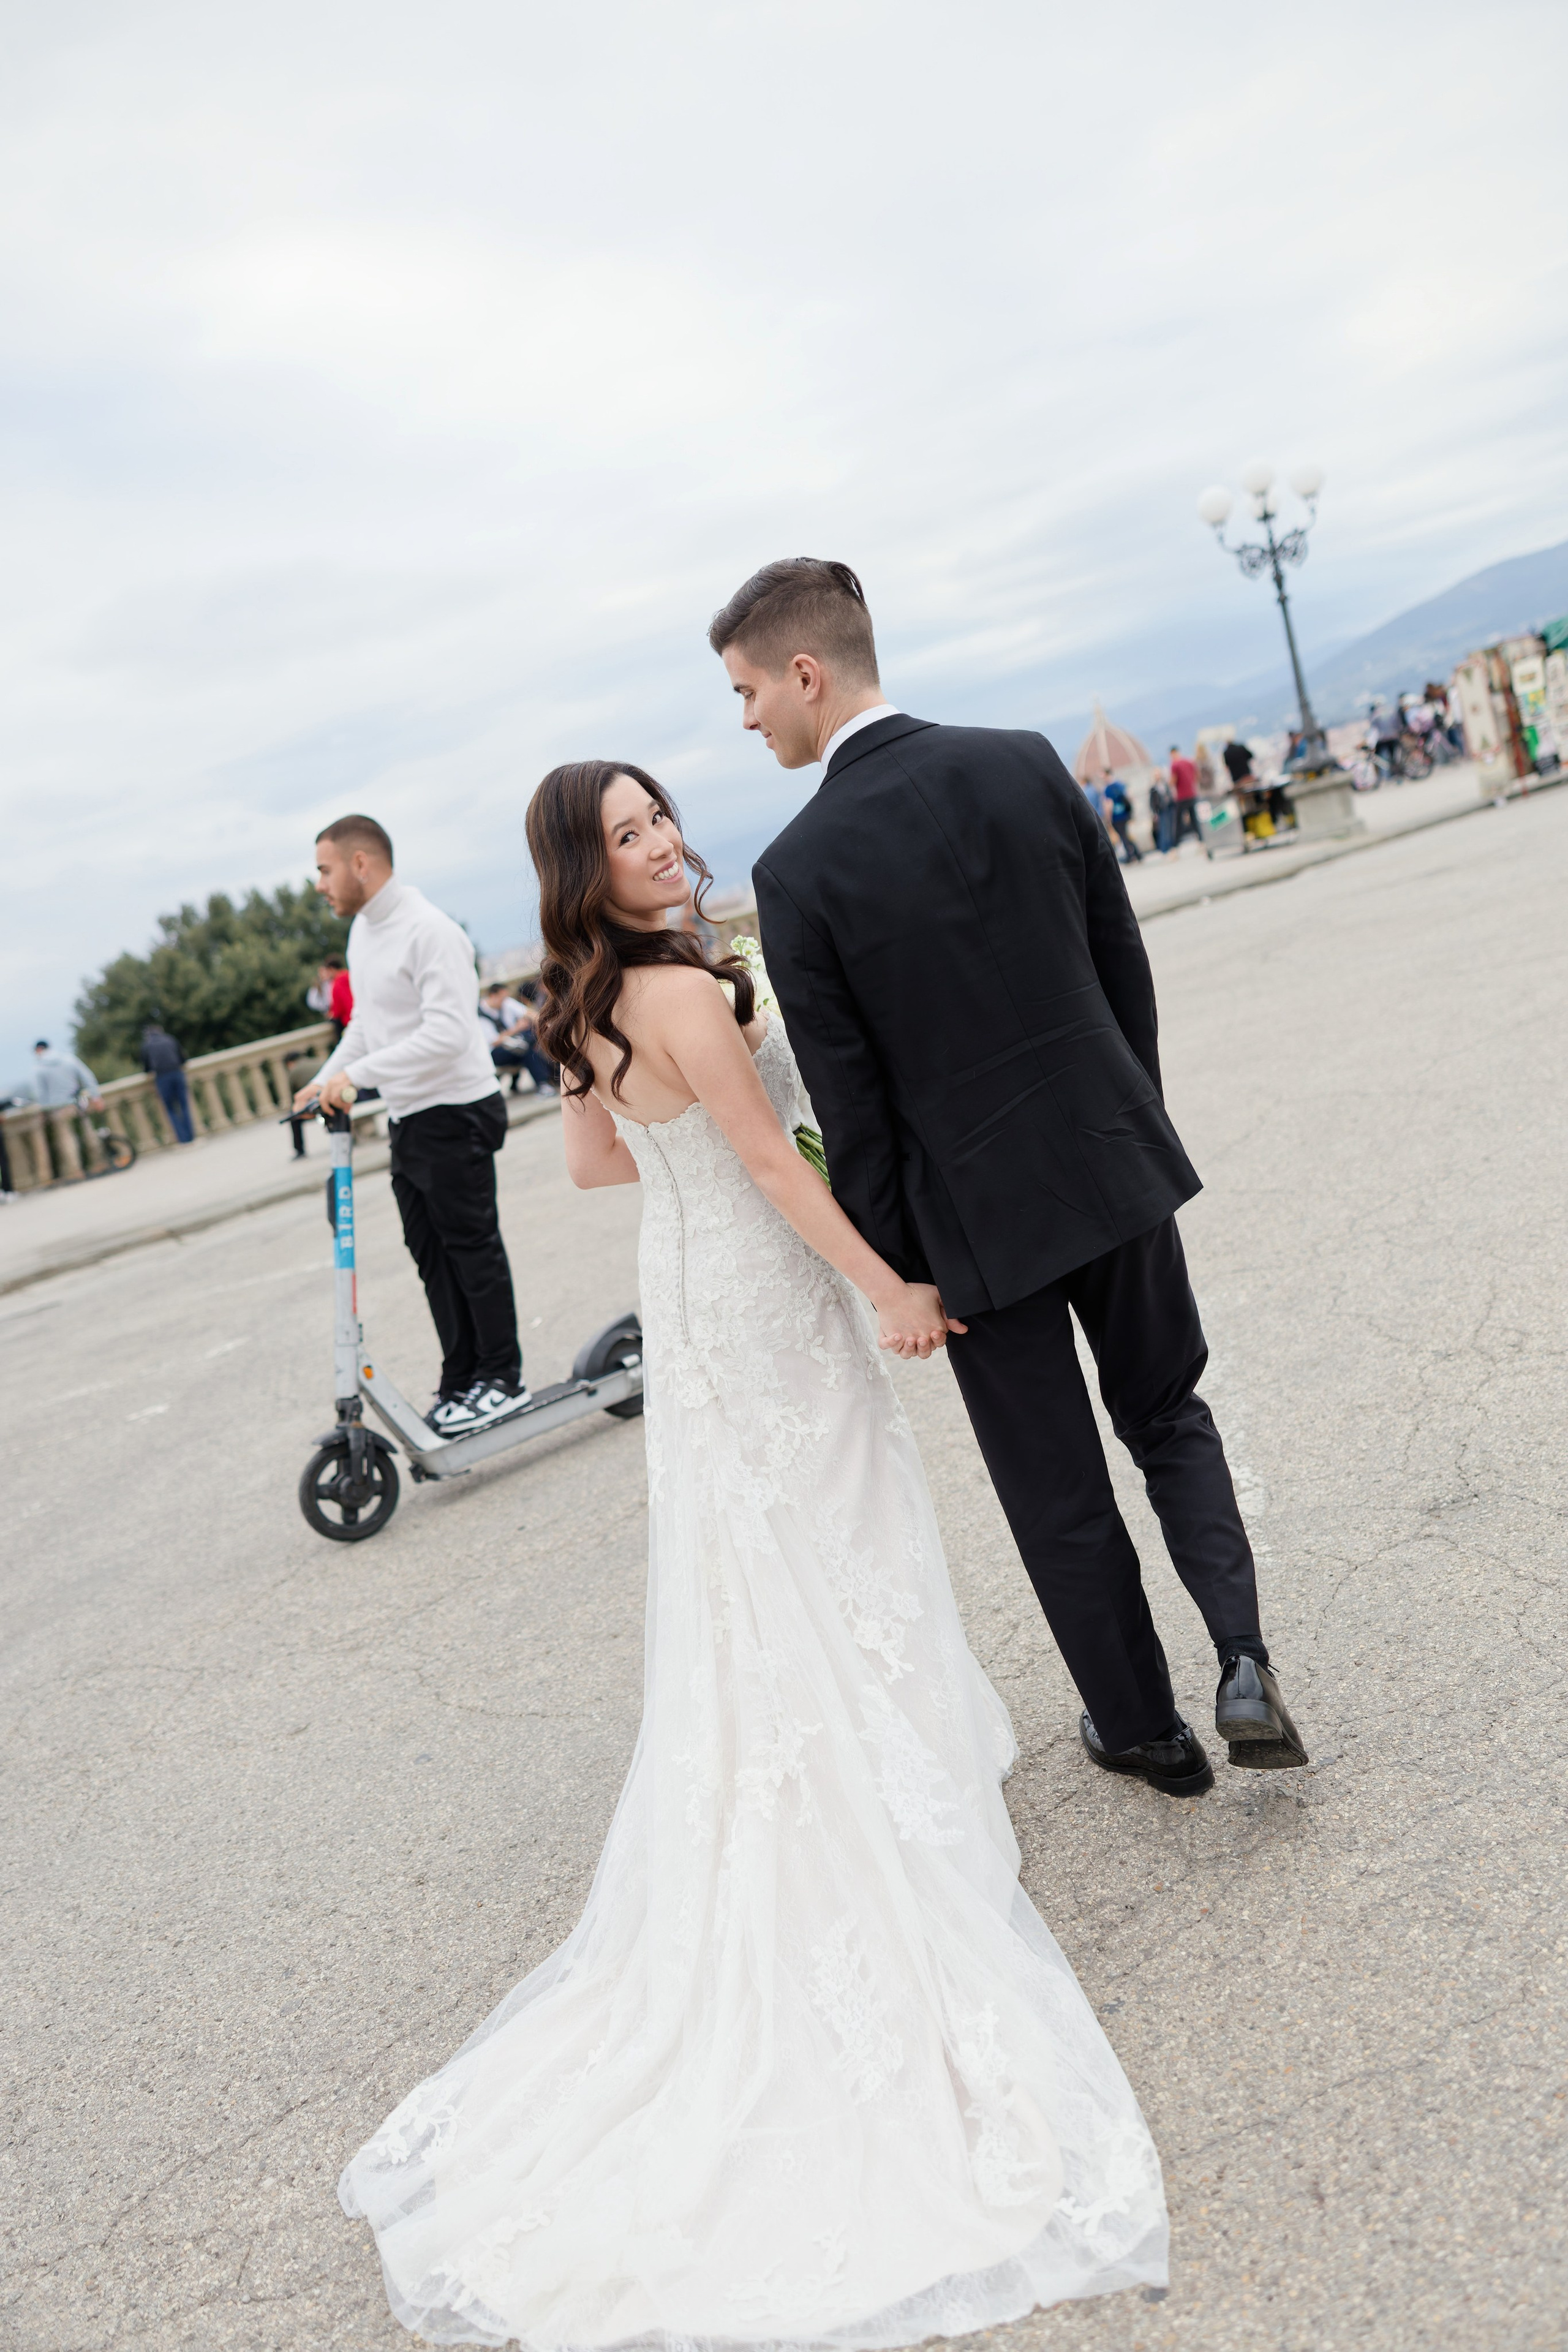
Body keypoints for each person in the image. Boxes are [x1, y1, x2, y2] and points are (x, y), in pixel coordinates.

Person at [339, 758, 1170, 2342]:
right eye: (628, 836)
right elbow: (781, 1164)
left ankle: (850, 1754)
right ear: (589, 868)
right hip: (772, 1307)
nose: (658, 846)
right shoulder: (687, 994)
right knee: (839, 1535)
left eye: (659, 820)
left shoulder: (580, 1002)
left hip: (690, 1298)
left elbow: (593, 1165)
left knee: (753, 1569)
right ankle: (884, 1779)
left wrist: (688, 1142)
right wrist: (887, 1284)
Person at [722, 560, 1305, 1796]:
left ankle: (1144, 1730)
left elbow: (854, 1103)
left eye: (746, 690)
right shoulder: (1022, 761)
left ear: (805, 675)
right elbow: (1117, 966)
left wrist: (903, 1268)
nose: (745, 718)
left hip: (973, 1226)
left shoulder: (796, 870)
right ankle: (1242, 1661)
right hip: (1107, 1157)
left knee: (1056, 1487)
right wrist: (1125, 1119)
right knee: (1168, 1413)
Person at [293, 815, 529, 1436]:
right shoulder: (365, 935)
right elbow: (368, 1026)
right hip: (410, 1117)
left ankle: (501, 1379)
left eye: (324, 869)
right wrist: (328, 1077)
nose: (320, 884)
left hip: (455, 1109)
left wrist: (358, 1077)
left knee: (471, 1251)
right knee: (431, 1256)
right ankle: (461, 1379)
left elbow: (450, 1035)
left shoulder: (430, 931)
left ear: (361, 863)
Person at [478, 980, 559, 1095]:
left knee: (530, 1043)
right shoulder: (480, 1015)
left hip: (516, 1045)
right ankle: (544, 1083)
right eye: (502, 998)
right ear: (493, 996)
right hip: (496, 1052)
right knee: (526, 1049)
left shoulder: (506, 1003)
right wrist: (516, 1029)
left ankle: (545, 1082)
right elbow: (494, 1042)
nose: (505, 1001)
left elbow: (529, 1013)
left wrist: (546, 1025)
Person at [140, 1019, 194, 1144]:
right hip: (177, 1073)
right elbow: (183, 1059)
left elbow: (146, 1068)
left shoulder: (147, 1046)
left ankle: (183, 1139)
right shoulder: (170, 1039)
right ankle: (191, 1137)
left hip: (163, 1077)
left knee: (171, 1109)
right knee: (184, 1106)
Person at [24, 1040, 103, 1112]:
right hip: (77, 1104)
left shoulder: (39, 1069)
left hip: (56, 1110)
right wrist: (96, 1097)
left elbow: (40, 1093)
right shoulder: (69, 1058)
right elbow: (87, 1077)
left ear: (39, 1049)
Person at [1167, 744, 1205, 850]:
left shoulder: (1174, 765)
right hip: (1192, 794)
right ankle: (1202, 842)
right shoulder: (1190, 762)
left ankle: (1175, 847)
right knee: (1195, 820)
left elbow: (1173, 781)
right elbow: (1198, 776)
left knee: (1178, 822)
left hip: (1181, 797)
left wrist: (1169, 784)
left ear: (1172, 754)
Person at [1103, 774, 1141, 862]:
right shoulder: (1120, 785)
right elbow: (1129, 797)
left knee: (1123, 836)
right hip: (1125, 814)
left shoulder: (1108, 789)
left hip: (1117, 817)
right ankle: (1137, 854)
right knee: (1126, 835)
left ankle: (1131, 855)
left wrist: (1108, 818)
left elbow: (1109, 805)